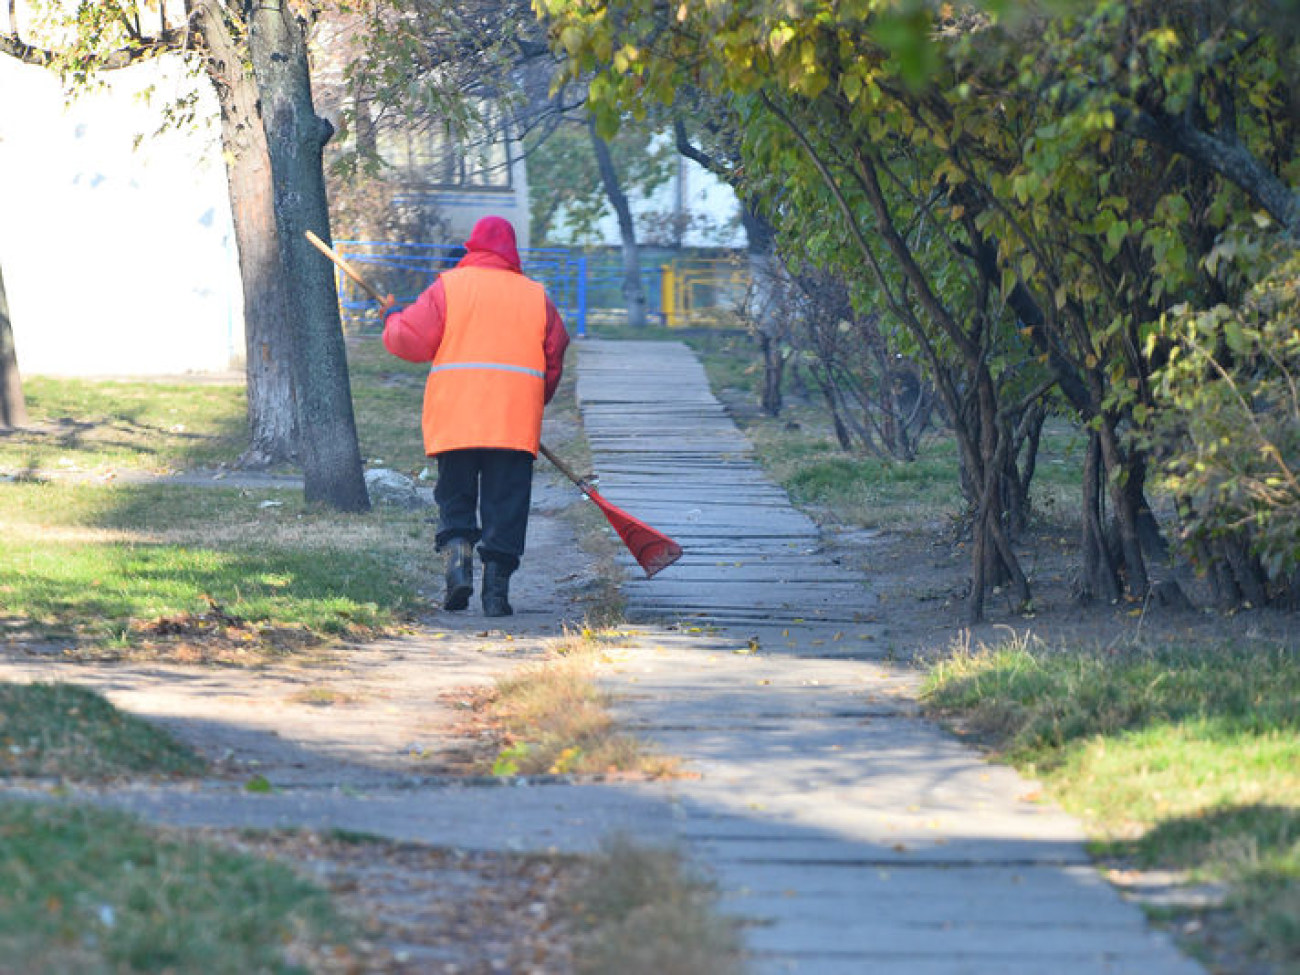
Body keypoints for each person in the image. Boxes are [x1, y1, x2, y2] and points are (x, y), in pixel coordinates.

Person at [379, 216, 569, 617]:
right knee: (506, 504)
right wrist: (537, 399)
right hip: (512, 421)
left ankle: (458, 570)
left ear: (472, 246)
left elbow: (410, 340)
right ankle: (496, 593)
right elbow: (555, 355)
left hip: (456, 418)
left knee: (456, 496)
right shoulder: (536, 297)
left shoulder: (448, 288)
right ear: (511, 251)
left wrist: (392, 319)